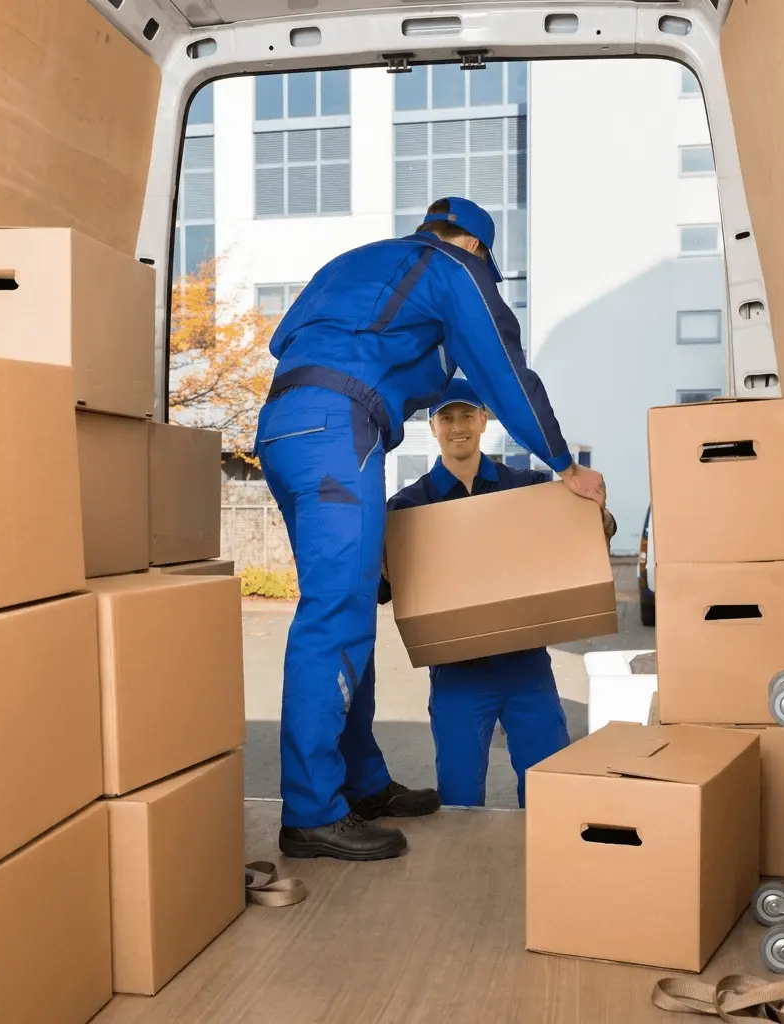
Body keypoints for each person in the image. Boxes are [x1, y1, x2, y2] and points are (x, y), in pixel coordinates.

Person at [255, 196, 607, 862]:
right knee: (334, 620)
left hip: (285, 427)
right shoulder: (451, 266)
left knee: (346, 609)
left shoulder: (357, 264)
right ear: (476, 248)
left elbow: (285, 342)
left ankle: (360, 784)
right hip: (339, 429)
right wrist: (563, 464)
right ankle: (310, 811)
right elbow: (504, 371)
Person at [378, 378, 617, 808]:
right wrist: (381, 563)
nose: (457, 427)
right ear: (432, 427)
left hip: (527, 669)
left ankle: (548, 874)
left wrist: (597, 516)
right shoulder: (407, 508)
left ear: (484, 420)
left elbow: (581, 539)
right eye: (446, 417)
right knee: (459, 800)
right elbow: (383, 589)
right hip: (458, 675)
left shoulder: (527, 487)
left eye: (467, 414)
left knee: (549, 795)